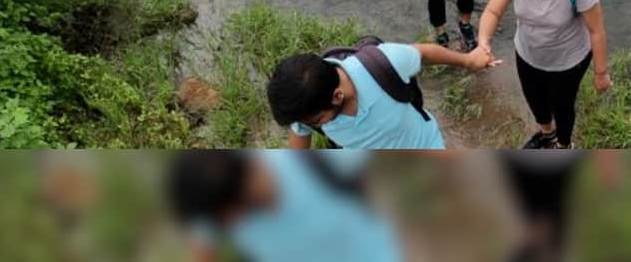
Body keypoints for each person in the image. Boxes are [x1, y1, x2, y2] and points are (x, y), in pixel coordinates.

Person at [478, 0, 611, 150]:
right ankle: (547, 134)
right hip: (527, 52)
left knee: (562, 105)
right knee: (535, 99)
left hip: (568, 60)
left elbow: (597, 31)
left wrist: (601, 72)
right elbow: (493, 11)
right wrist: (483, 42)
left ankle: (564, 144)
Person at [167, 150, 403, 262]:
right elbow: (202, 247)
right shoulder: (212, 198)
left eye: (229, 217)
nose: (229, 224)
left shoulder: (315, 160)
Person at [266, 37, 496, 149]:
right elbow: (300, 132)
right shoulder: (306, 104)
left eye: (318, 120)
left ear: (337, 96)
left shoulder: (385, 62)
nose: (314, 125)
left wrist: (468, 60)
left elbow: (423, 54)